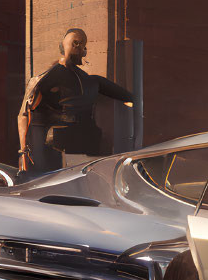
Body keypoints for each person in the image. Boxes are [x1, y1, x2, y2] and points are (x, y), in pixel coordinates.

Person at [17, 28, 134, 174]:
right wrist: (24, 152)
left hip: (88, 143)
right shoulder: (44, 79)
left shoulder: (92, 82)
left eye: (81, 44)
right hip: (61, 145)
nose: (78, 47)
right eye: (75, 43)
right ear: (63, 46)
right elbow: (24, 115)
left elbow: (130, 98)